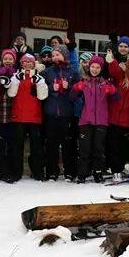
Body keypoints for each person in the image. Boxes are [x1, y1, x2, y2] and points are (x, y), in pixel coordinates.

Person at [71, 55, 116, 183]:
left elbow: (116, 99)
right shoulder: (84, 82)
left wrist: (112, 91)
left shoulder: (105, 83)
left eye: (97, 67)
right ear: (88, 67)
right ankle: (82, 173)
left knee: (98, 149)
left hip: (101, 121)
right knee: (84, 149)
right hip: (85, 121)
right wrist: (75, 88)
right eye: (92, 66)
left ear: (101, 69)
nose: (95, 69)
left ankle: (98, 172)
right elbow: (72, 97)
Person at [7, 53, 48, 181]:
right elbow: (11, 94)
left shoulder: (39, 78)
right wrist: (15, 81)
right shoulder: (15, 77)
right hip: (18, 116)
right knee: (17, 147)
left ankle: (37, 172)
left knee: (36, 147)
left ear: (34, 64)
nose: (27, 64)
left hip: (34, 117)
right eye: (24, 62)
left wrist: (40, 83)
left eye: (30, 62)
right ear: (21, 64)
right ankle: (15, 173)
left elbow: (42, 97)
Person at [42, 45, 79, 180]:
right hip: (51, 113)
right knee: (51, 144)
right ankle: (52, 171)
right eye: (53, 55)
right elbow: (40, 90)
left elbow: (78, 93)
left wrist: (68, 87)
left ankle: (69, 171)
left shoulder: (73, 72)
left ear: (64, 55)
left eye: (58, 54)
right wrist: (52, 87)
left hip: (67, 114)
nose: (55, 57)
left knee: (68, 144)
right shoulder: (48, 71)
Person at [106, 50, 129, 182]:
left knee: (122, 148)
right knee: (113, 146)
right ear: (128, 61)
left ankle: (119, 168)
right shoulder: (121, 74)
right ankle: (115, 170)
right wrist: (112, 60)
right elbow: (113, 71)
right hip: (113, 117)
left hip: (126, 121)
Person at [0, 50, 18, 180]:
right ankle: (1, 170)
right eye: (6, 58)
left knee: (12, 144)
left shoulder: (17, 74)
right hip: (0, 112)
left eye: (10, 59)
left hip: (13, 113)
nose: (8, 61)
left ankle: (11, 171)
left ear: (14, 60)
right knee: (0, 144)